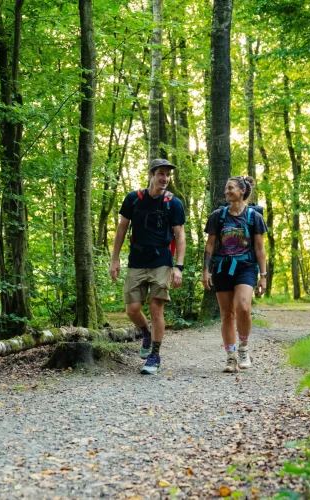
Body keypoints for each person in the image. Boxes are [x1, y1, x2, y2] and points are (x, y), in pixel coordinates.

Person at [109, 159, 187, 375]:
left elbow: (180, 236)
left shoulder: (174, 203)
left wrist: (178, 267)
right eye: (161, 174)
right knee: (132, 309)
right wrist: (114, 260)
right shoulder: (134, 199)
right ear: (151, 174)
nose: (165, 179)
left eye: (168, 175)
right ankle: (145, 333)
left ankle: (155, 354)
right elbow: (121, 229)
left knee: (156, 306)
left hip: (162, 261)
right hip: (136, 261)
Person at [202, 176, 268, 373]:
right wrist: (205, 271)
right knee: (227, 314)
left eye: (230, 188)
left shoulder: (254, 217)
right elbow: (210, 244)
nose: (226, 191)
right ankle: (231, 357)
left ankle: (244, 349)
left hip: (246, 267)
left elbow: (259, 247)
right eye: (225, 188)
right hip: (222, 268)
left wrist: (263, 275)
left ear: (242, 191)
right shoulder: (218, 216)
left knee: (243, 307)